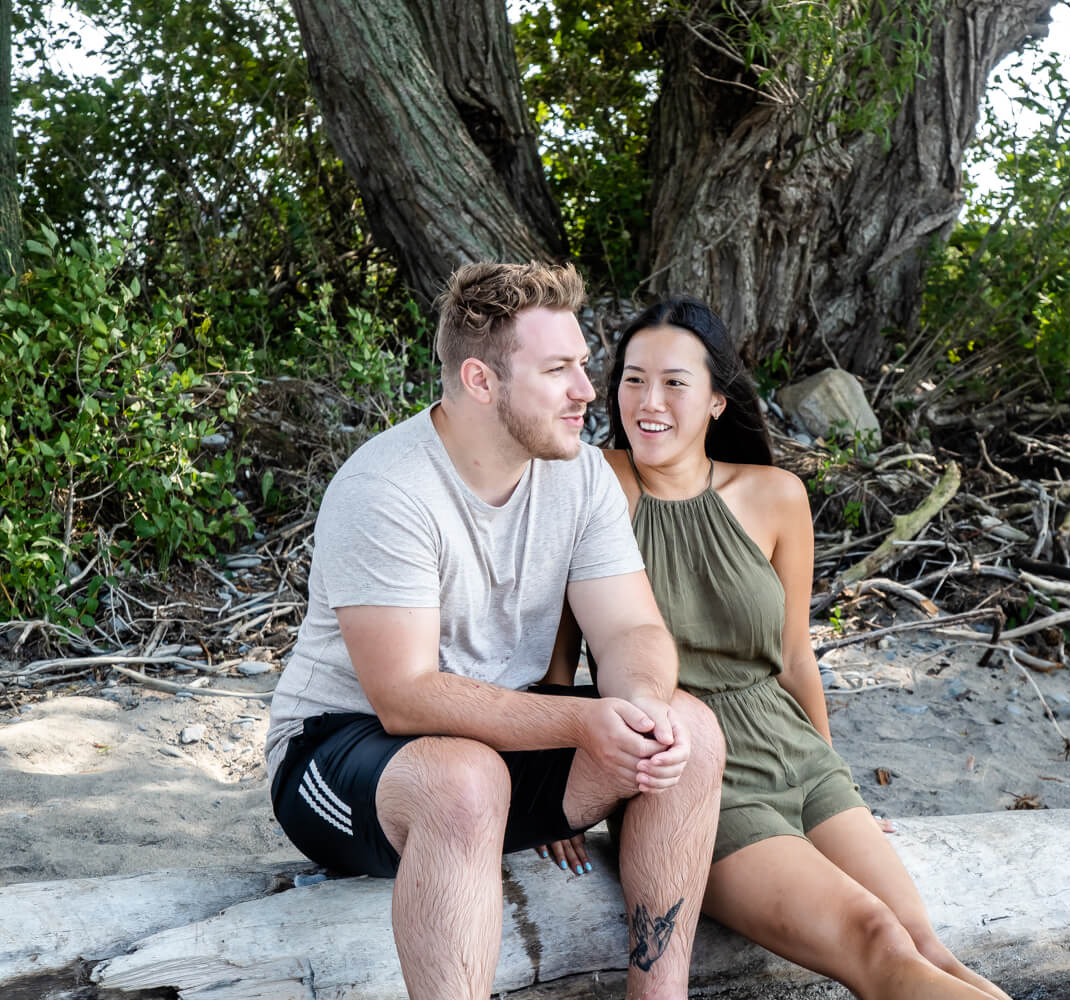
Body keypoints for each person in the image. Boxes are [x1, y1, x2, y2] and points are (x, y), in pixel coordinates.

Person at [264, 263, 725, 1000]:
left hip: (498, 741)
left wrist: (636, 711)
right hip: (344, 756)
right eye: (558, 371)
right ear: (480, 381)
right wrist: (583, 720)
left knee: (688, 729)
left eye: (582, 365)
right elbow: (405, 699)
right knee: (463, 782)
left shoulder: (579, 475)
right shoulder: (385, 488)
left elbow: (633, 626)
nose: (586, 390)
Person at [542, 296, 1012, 1000]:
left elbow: (795, 654)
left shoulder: (776, 494)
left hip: (796, 753)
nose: (649, 400)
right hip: (690, 771)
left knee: (922, 941)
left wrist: (834, 771)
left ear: (716, 402)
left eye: (675, 382)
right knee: (875, 942)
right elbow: (555, 663)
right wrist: (555, 796)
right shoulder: (590, 485)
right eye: (633, 379)